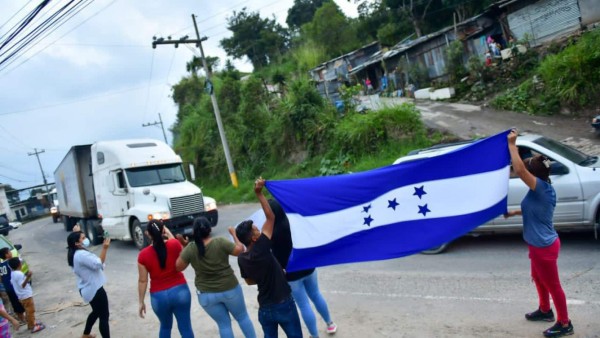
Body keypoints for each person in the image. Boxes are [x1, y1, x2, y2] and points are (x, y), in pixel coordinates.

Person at [504, 130, 574, 338]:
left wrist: (512, 145)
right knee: (538, 277)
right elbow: (534, 209)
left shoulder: (540, 188)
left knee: (553, 285)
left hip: (544, 247)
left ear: (533, 175)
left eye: (528, 169)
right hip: (538, 244)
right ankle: (545, 310)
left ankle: (565, 323)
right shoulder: (541, 188)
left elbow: (518, 169)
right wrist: (514, 212)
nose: (523, 170)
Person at [235, 178, 303, 338]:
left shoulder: (242, 258)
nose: (258, 229)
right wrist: (259, 193)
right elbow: (270, 217)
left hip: (265, 308)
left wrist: (275, 272)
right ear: (253, 238)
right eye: (255, 229)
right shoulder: (262, 246)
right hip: (283, 304)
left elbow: (250, 281)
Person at [175, 217, 256, 338]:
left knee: (224, 325)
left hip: (206, 295)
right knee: (242, 317)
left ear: (194, 232)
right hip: (229, 288)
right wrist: (234, 234)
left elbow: (178, 267)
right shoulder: (220, 242)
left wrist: (184, 247)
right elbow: (240, 250)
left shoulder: (191, 248)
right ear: (209, 229)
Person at [269, 199, 337, 338]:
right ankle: (330, 324)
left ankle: (314, 335)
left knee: (303, 305)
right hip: (307, 265)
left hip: (291, 274)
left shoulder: (270, 233)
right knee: (316, 294)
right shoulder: (294, 222)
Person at [138, 220, 194, 338]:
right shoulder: (174, 244)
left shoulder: (143, 255)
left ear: (148, 234)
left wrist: (141, 301)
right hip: (180, 291)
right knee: (185, 327)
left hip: (159, 297)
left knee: (165, 327)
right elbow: (175, 244)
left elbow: (143, 281)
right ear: (163, 230)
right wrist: (167, 231)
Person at [67, 230, 111, 338]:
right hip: (95, 289)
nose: (85, 239)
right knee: (104, 316)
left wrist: (76, 231)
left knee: (96, 312)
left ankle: (86, 334)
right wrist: (105, 248)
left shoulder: (75, 253)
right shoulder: (81, 254)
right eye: (83, 238)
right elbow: (98, 264)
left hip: (87, 288)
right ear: (77, 243)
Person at [8, 258, 44, 333]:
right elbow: (22, 285)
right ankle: (33, 326)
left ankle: (32, 323)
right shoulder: (19, 274)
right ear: (19, 265)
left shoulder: (13, 273)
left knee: (28, 311)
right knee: (30, 311)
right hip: (26, 295)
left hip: (21, 296)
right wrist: (28, 277)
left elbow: (12, 282)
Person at [0, 249, 25, 325]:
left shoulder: (1, 265)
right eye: (9, 252)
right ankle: (22, 319)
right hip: (13, 286)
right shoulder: (10, 263)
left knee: (14, 303)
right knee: (19, 302)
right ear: (6, 255)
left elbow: (0, 278)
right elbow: (19, 265)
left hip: (7, 287)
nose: (11, 253)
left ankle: (20, 318)